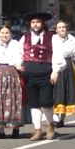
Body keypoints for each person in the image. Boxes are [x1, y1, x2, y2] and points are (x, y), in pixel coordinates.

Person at [20, 11, 56, 142]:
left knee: (46, 102)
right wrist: (19, 65)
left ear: (42, 23)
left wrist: (55, 71)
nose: (35, 25)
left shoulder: (51, 37)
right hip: (29, 75)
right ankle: (37, 129)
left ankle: (50, 125)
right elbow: (19, 52)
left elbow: (57, 54)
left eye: (38, 22)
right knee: (34, 104)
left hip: (46, 73)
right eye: (33, 22)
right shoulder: (25, 37)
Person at [49, 20, 75, 126]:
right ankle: (55, 115)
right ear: (56, 30)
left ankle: (62, 118)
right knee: (55, 91)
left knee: (67, 90)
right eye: (59, 27)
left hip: (68, 65)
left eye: (63, 27)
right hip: (55, 64)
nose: (62, 29)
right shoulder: (53, 39)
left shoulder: (71, 38)